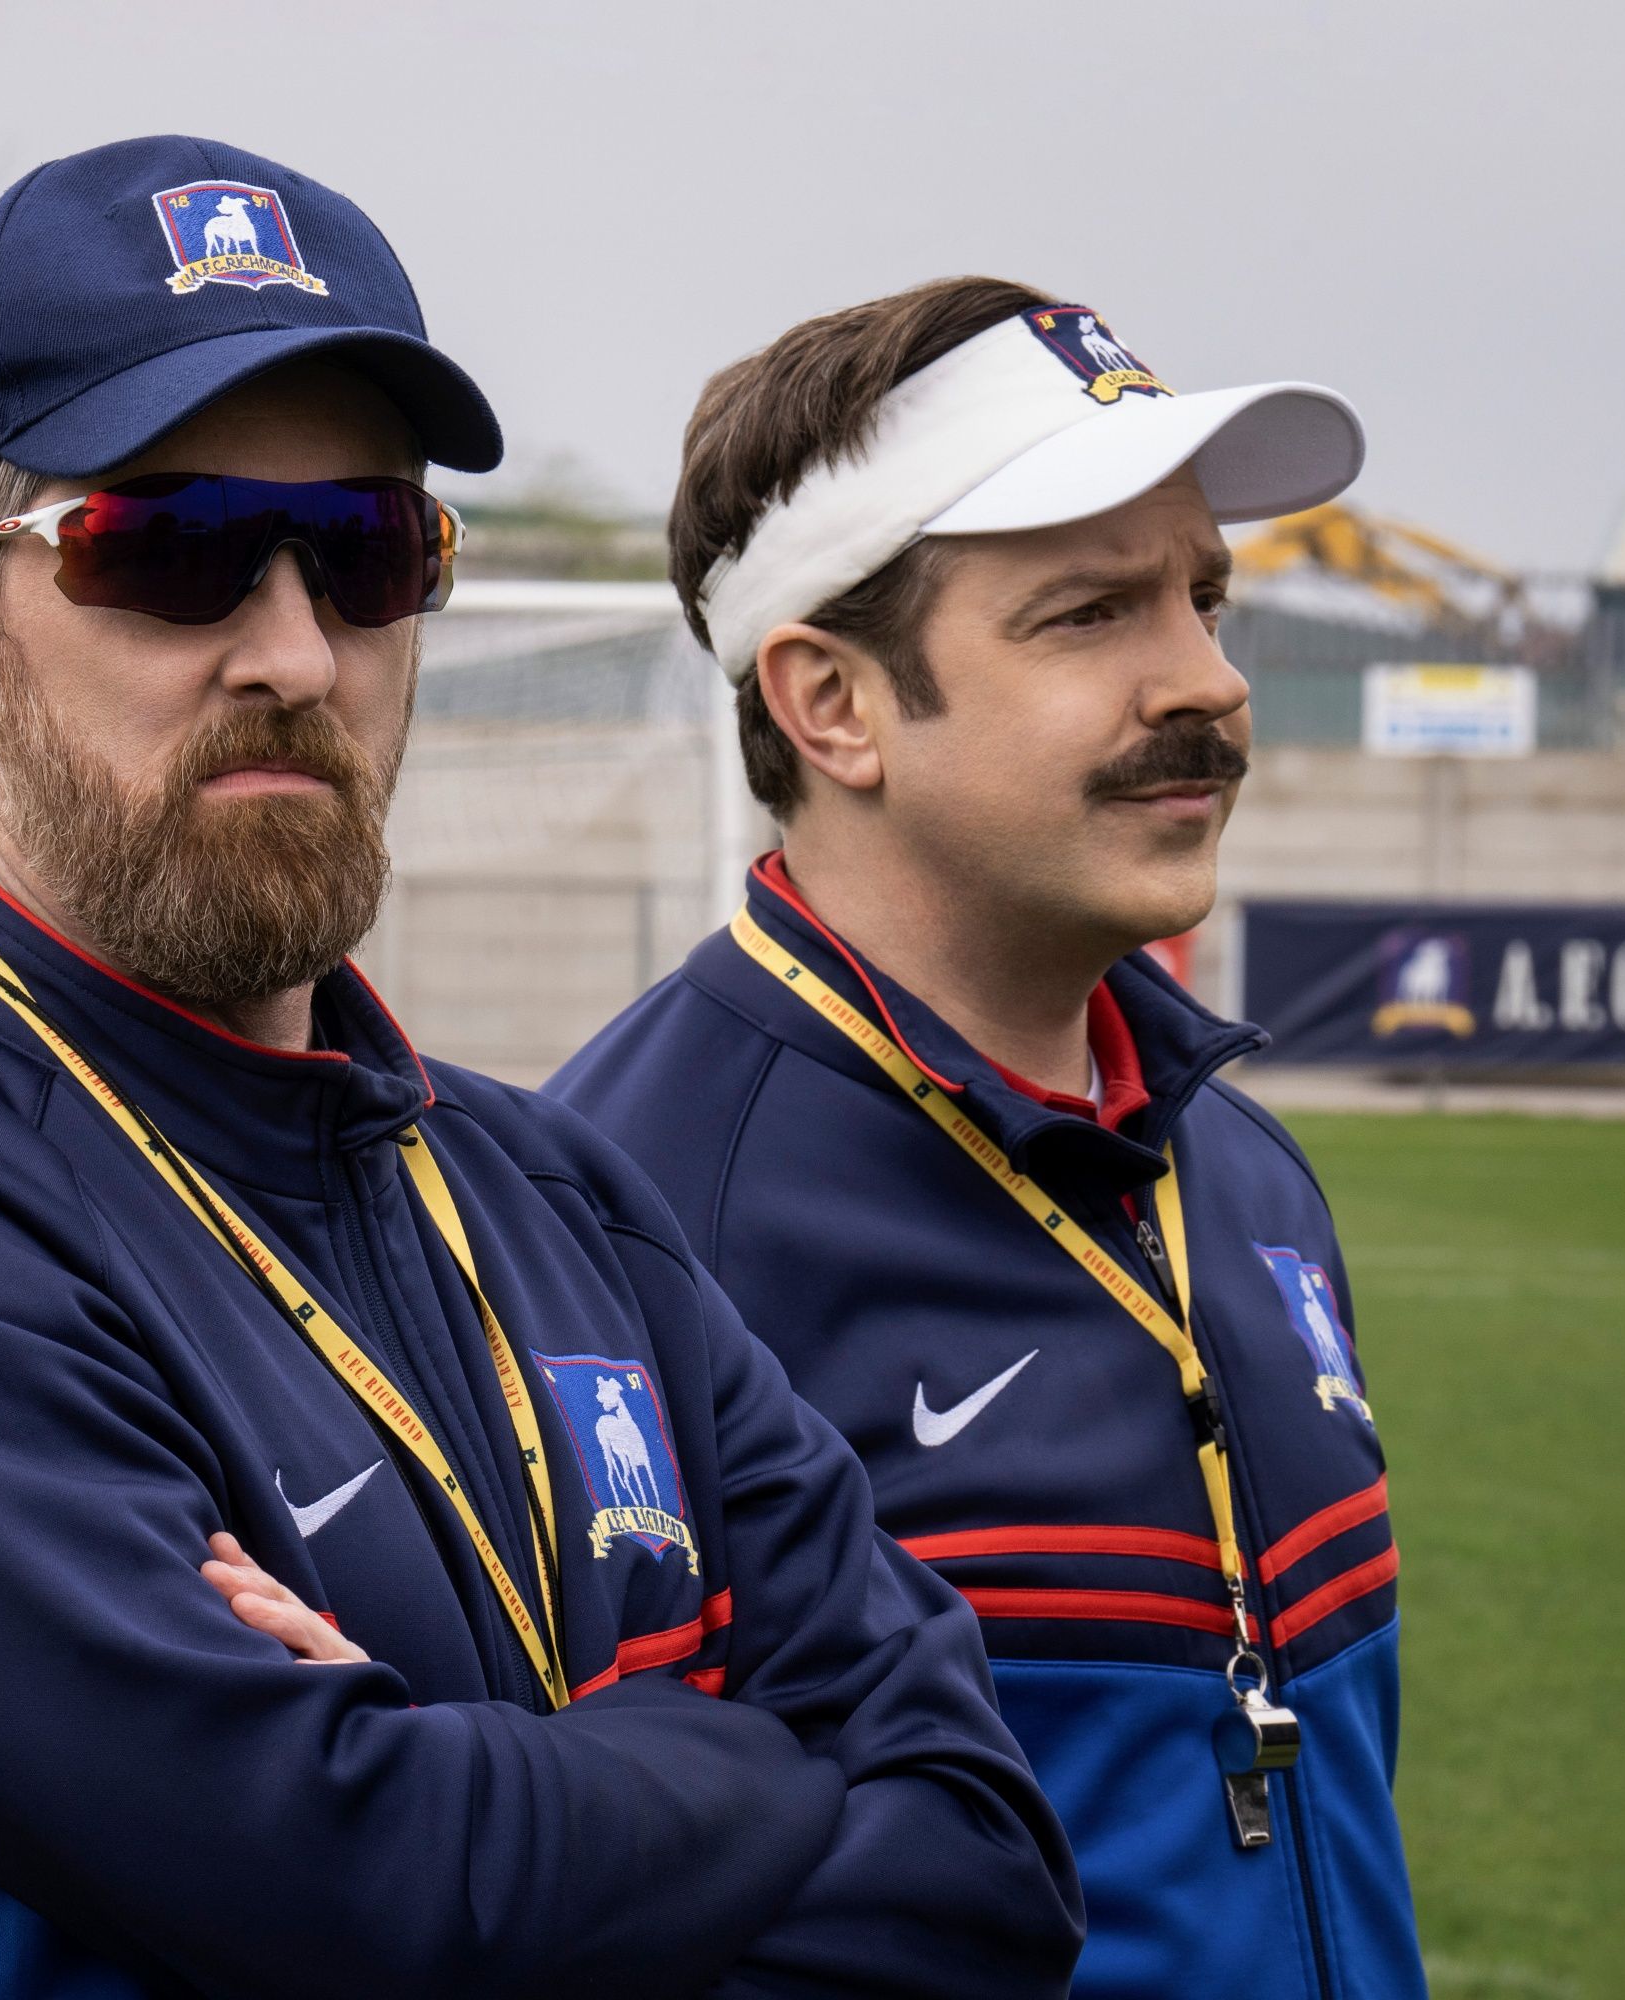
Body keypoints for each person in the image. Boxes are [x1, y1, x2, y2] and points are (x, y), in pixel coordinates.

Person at [0, 137, 1081, 2000]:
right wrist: (744, 1755)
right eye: (174, 548)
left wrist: (474, 1810)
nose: (295, 651)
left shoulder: (554, 1193)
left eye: (373, 552)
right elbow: (353, 1901)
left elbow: (987, 1863)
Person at [549, 280, 1423, 1995]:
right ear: (834, 705)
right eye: (1091, 615)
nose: (1210, 683)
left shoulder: (1239, 1166)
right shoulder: (615, 1227)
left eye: (1205, 596)